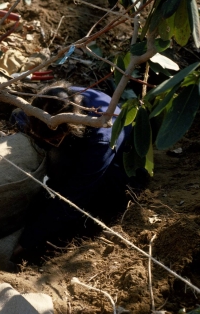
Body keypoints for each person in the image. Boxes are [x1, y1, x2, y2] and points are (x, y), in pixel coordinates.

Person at [11, 81, 133, 260]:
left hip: (121, 160)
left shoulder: (101, 139)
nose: (43, 144)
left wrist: (27, 241)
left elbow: (73, 197)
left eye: (52, 140)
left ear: (72, 130)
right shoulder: (48, 102)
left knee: (101, 192)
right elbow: (18, 117)